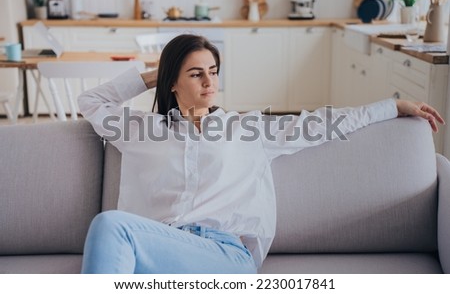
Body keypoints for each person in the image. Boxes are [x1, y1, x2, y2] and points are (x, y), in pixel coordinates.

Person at [78, 34, 444, 274]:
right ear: (172, 82)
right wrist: (156, 73)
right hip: (158, 249)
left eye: (213, 72)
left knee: (110, 226)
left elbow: (322, 124)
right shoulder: (142, 130)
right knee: (116, 238)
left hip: (224, 256)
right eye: (195, 74)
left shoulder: (247, 130)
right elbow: (91, 101)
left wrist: (392, 107)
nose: (209, 82)